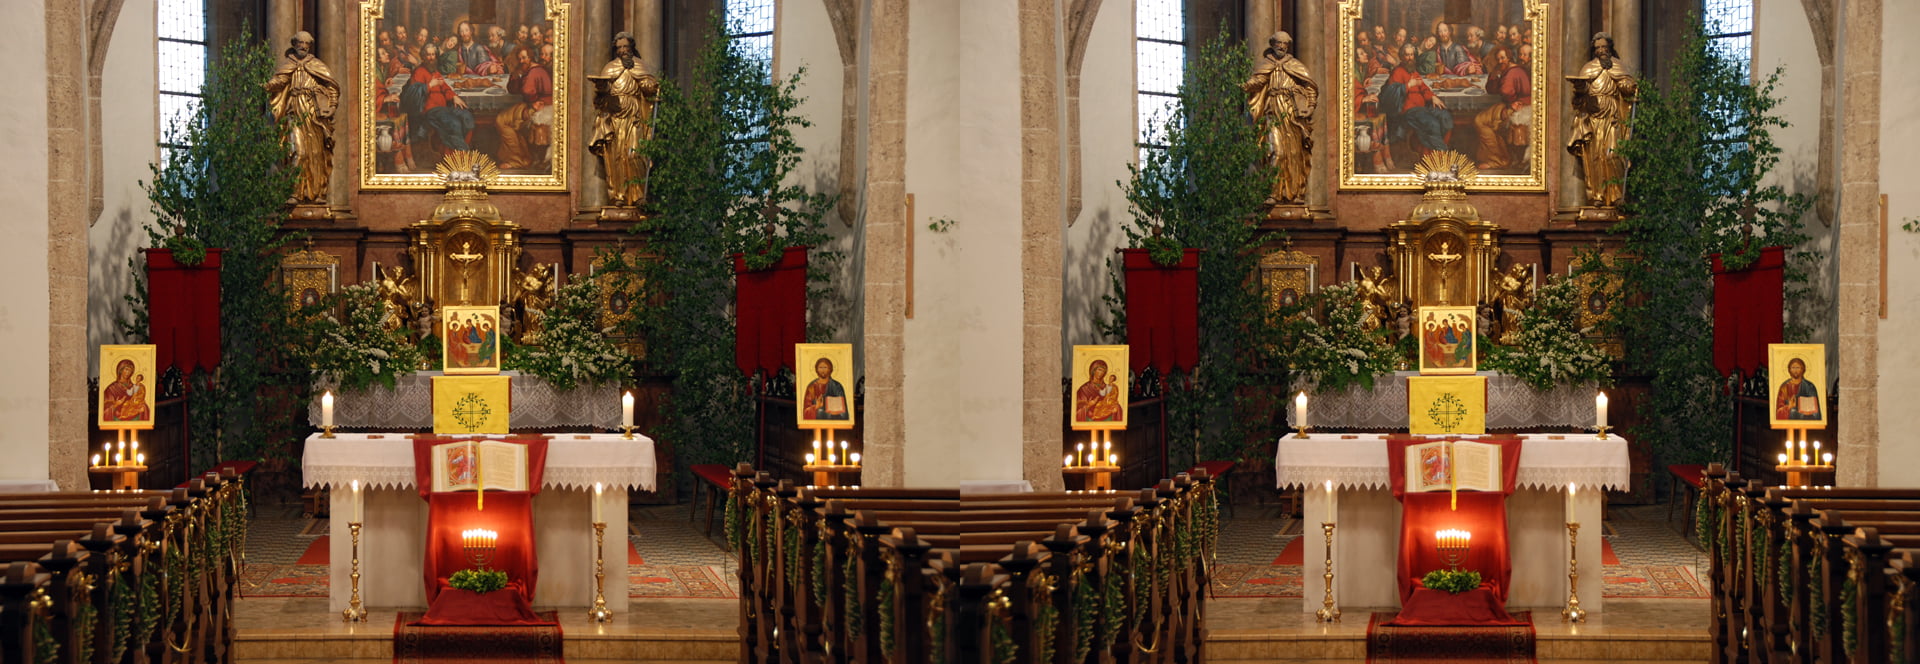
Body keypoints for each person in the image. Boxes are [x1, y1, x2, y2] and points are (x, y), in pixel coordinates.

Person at [266, 31, 339, 206]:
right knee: (298, 152)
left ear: (310, 45)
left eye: (306, 43)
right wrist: (266, 85)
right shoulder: (288, 65)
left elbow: (332, 87)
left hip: (314, 114)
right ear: (294, 44)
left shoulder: (317, 65)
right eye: (299, 42)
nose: (303, 46)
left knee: (316, 153)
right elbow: (280, 81)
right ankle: (295, 192)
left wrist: (332, 107)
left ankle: (317, 192)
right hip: (294, 112)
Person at [1244, 31, 1318, 206]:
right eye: (1278, 43)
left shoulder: (1295, 65)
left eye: (1284, 44)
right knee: (1277, 152)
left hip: (1291, 114)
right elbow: (1258, 81)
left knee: (1294, 153)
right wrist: (1245, 85)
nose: (1281, 46)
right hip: (1273, 112)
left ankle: (1294, 192)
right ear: (1272, 44)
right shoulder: (1267, 65)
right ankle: (1273, 193)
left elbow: (1310, 88)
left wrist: (1310, 107)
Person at [589, 32, 661, 208]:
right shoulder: (610, 68)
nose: (623, 50)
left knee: (635, 155)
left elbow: (648, 87)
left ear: (631, 47)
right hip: (615, 118)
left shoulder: (639, 66)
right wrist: (601, 90)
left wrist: (650, 86)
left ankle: (638, 196)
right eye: (619, 47)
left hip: (635, 116)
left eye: (625, 47)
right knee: (617, 157)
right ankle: (618, 195)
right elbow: (599, 101)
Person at [1567, 32, 1636, 208]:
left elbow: (1626, 87)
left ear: (1610, 48)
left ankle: (1617, 195)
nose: (1601, 50)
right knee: (1595, 158)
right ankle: (1597, 195)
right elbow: (1578, 101)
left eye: (1604, 47)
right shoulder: (1588, 69)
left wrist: (1629, 87)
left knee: (1613, 155)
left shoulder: (1618, 67)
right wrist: (1580, 90)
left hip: (1613, 116)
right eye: (1598, 48)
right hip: (1593, 118)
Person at [1380, 43, 1451, 159]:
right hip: (1409, 110)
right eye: (1407, 55)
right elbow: (1391, 94)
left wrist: (1432, 96)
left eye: (1411, 55)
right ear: (1402, 57)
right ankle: (1441, 155)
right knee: (1432, 123)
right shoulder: (1397, 72)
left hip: (1422, 108)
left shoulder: (1413, 71)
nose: (1409, 58)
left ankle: (1430, 151)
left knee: (1445, 116)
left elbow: (1423, 88)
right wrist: (1407, 86)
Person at [402, 49, 474, 152]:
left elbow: (445, 87)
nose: (431, 58)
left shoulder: (435, 72)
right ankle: (462, 153)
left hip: (443, 107)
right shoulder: (418, 72)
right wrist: (430, 85)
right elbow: (413, 93)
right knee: (454, 123)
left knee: (467, 117)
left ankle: (458, 150)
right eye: (428, 55)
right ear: (423, 57)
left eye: (433, 55)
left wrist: (453, 96)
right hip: (430, 110)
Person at [1474, 45, 1531, 170]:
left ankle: (1499, 160)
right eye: (1498, 59)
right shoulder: (1506, 70)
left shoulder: (1514, 72)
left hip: (1520, 107)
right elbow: (1491, 89)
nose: (1500, 61)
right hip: (1510, 104)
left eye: (1503, 58)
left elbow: (1506, 92)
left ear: (1509, 57)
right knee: (1480, 119)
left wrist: (1512, 103)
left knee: (1481, 121)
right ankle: (1496, 157)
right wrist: (1495, 75)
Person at [495, 47, 553, 169]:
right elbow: (512, 89)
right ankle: (521, 157)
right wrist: (516, 75)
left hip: (542, 106)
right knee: (502, 120)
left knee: (502, 121)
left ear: (530, 57)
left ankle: (517, 160)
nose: (522, 61)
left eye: (524, 58)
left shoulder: (535, 71)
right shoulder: (527, 70)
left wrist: (522, 79)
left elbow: (528, 92)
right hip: (532, 104)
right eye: (520, 58)